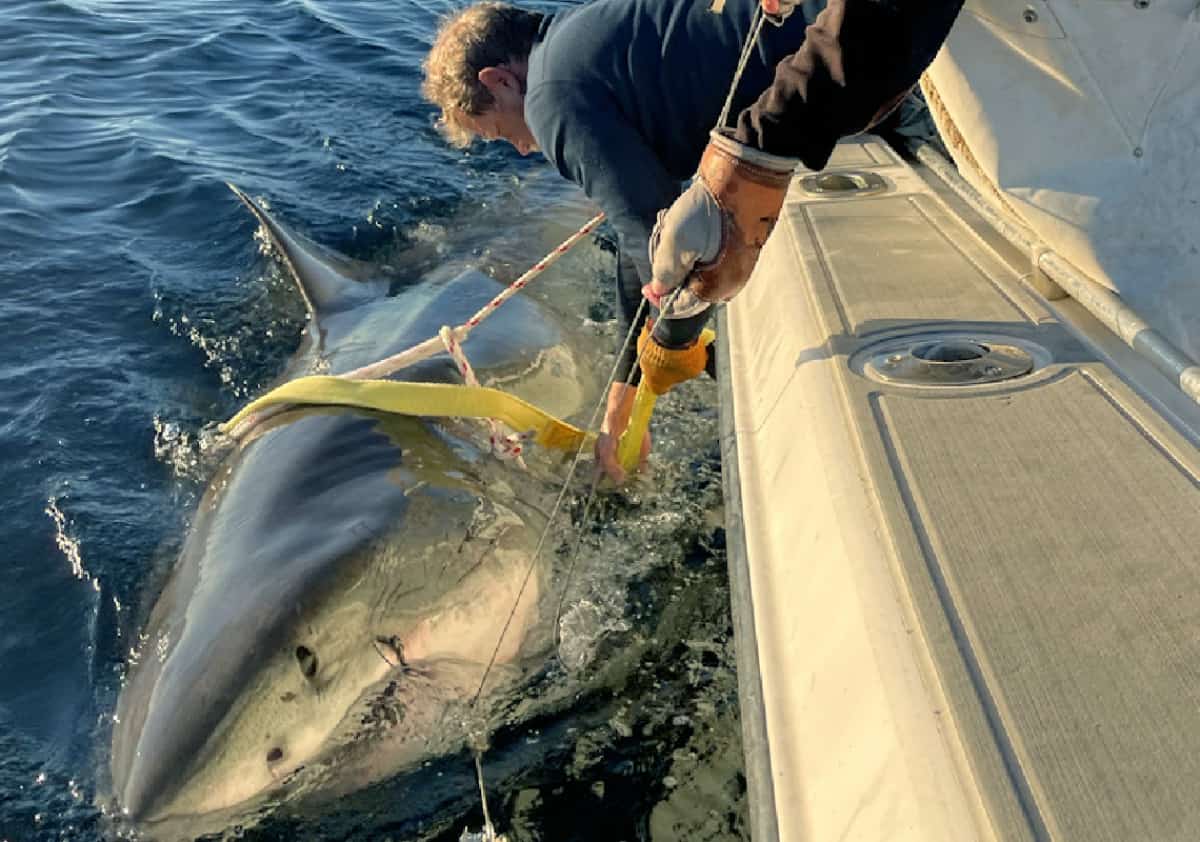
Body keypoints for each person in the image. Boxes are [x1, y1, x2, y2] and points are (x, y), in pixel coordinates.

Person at [423, 0, 965, 481]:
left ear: (499, 81)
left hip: (876, 62)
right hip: (887, 48)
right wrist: (628, 379)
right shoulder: (581, 36)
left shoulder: (550, 99)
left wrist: (651, 374)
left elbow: (660, 244)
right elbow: (645, 233)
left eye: (499, 131)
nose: (521, 149)